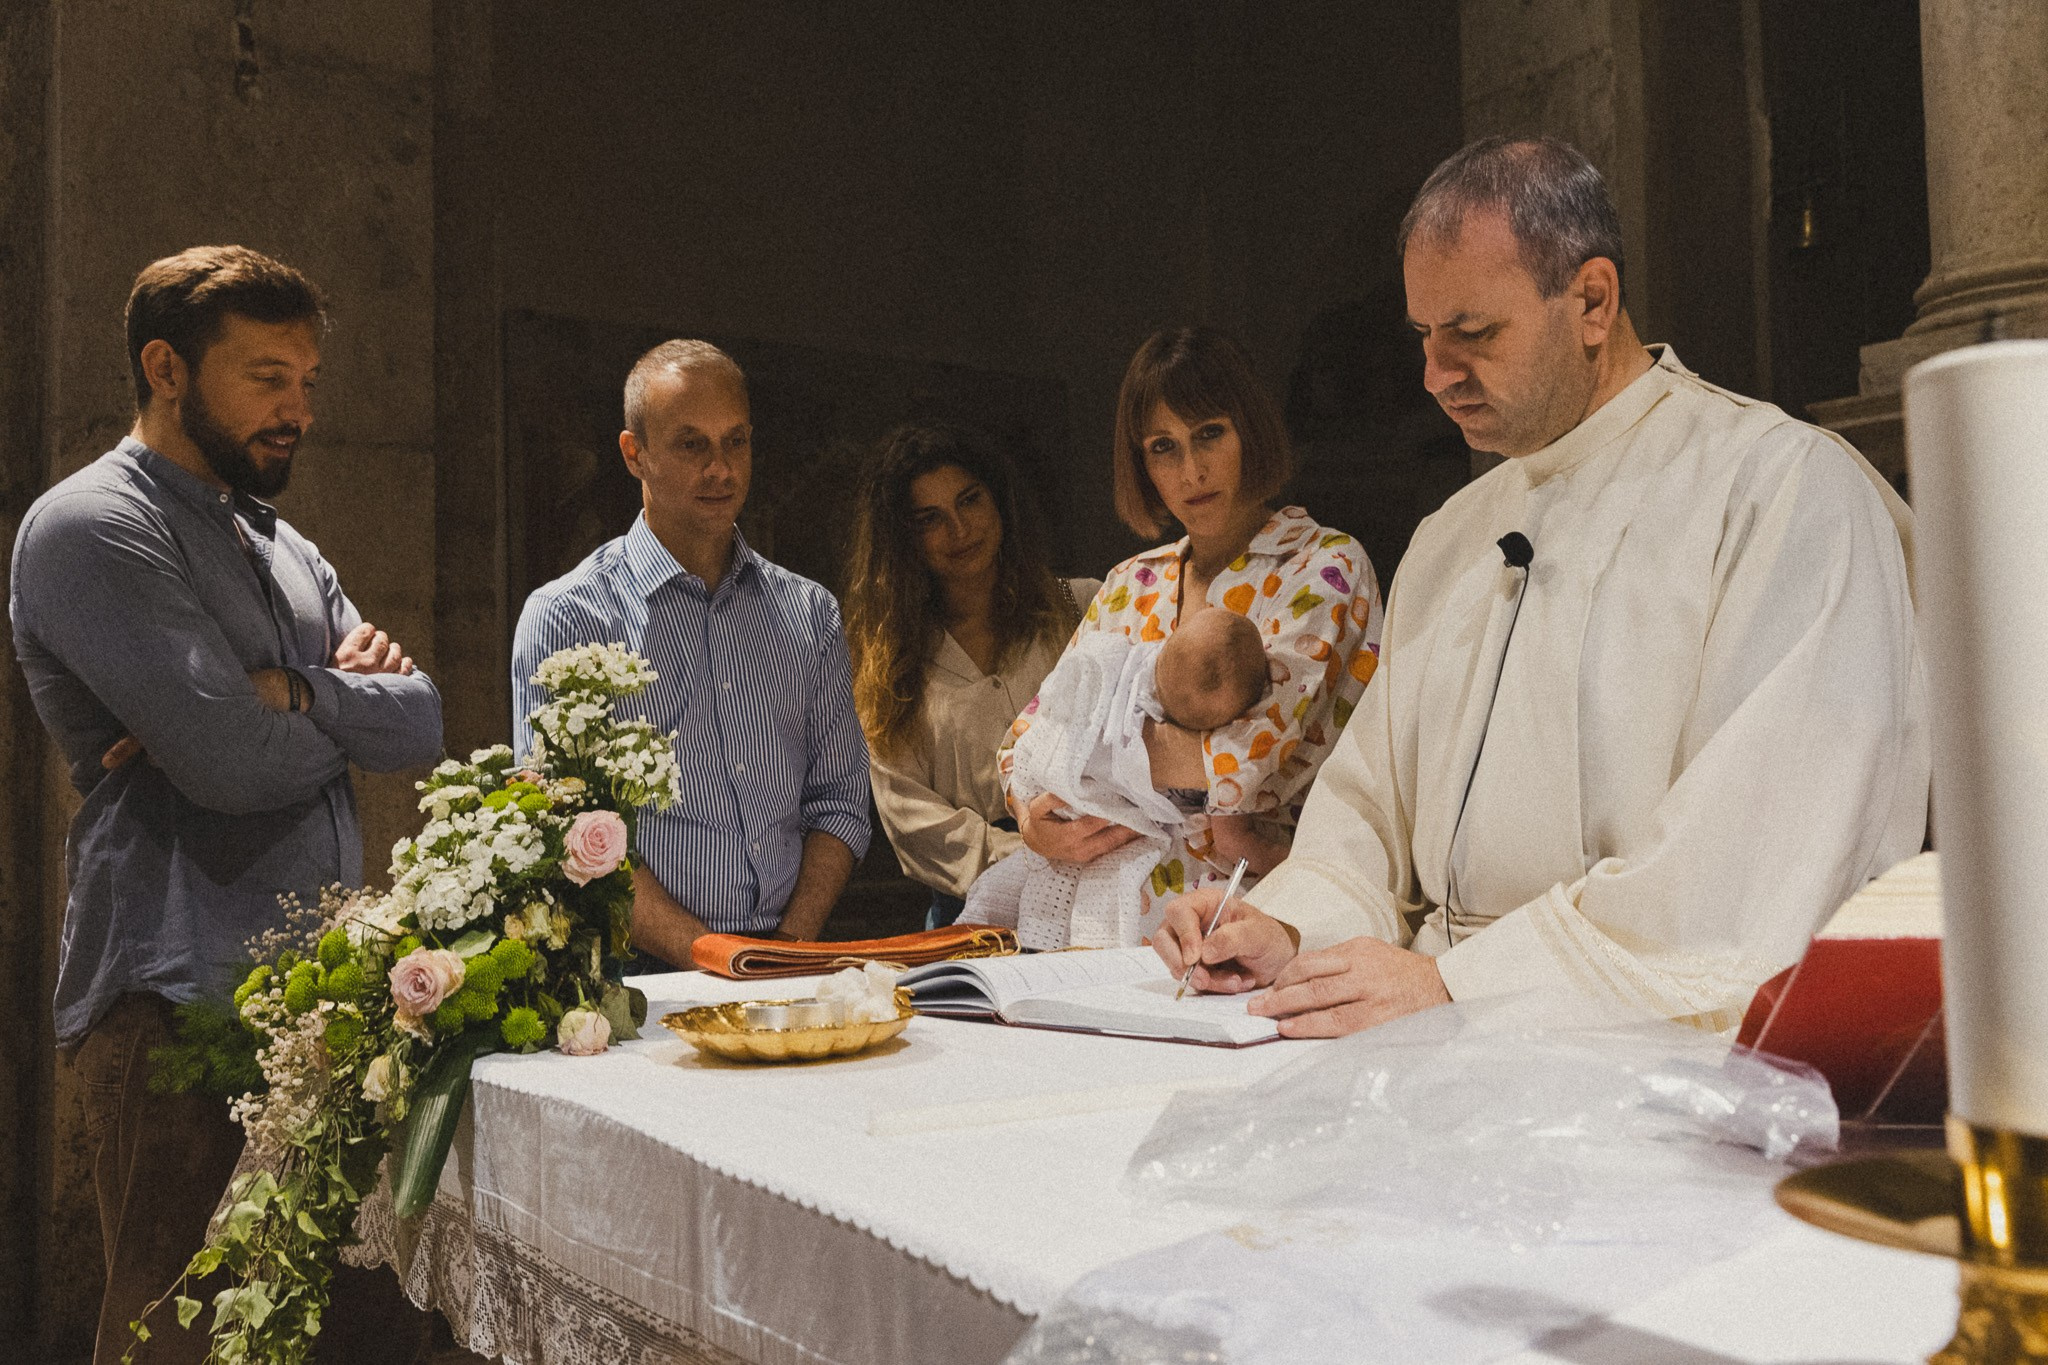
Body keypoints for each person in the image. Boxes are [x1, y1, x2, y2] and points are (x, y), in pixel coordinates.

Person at [1155, 136, 1929, 1038]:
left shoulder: (1780, 490)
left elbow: (1754, 858)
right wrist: (1290, 927)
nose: (1436, 375)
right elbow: (1366, 810)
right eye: (1424, 337)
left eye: (1473, 334)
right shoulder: (1452, 536)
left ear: (1592, 300)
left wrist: (1466, 986)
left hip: (1650, 1052)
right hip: (1431, 1032)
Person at [9, 245, 444, 1363]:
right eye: (265, 377)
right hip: (175, 994)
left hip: (312, 1004)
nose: (297, 408)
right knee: (175, 1330)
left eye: (307, 380)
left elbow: (423, 719)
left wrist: (296, 691)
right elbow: (228, 767)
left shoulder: (280, 540)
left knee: (317, 1331)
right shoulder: (93, 526)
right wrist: (317, 713)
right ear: (165, 367)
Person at [1001, 325, 1384, 943]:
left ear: (1249, 431)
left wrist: (1083, 752)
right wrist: (1030, 816)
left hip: (1253, 920)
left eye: (1210, 434)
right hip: (1095, 923)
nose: (1192, 470)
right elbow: (1024, 741)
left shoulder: (1323, 567)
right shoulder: (1130, 582)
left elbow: (1244, 763)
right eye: (1162, 447)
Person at [511, 340, 870, 964]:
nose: (721, 470)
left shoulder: (808, 612)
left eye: (737, 441)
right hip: (641, 973)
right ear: (634, 454)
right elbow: (566, 823)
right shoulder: (567, 616)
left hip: (787, 959)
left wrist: (785, 949)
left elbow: (839, 801)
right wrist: (712, 953)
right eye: (690, 444)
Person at [844, 423, 1100, 927]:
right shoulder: (891, 664)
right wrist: (1031, 855)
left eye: (969, 501)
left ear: (998, 502)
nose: (959, 530)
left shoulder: (1083, 607)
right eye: (930, 519)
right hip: (976, 912)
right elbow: (911, 818)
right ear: (904, 539)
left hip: (1102, 875)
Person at [963, 607, 1269, 947]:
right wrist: (1289, 859)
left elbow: (1036, 730)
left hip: (1063, 802)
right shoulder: (1218, 764)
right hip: (1058, 825)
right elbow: (1233, 841)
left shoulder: (1115, 665)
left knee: (996, 900)